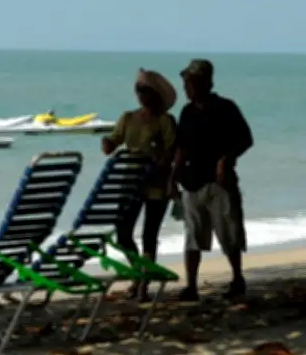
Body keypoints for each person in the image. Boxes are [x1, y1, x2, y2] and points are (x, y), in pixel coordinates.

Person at [172, 59, 253, 301]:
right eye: (186, 83)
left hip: (220, 182)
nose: (187, 88)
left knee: (229, 233)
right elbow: (181, 148)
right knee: (192, 236)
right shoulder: (187, 112)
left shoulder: (225, 108)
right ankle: (191, 286)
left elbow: (246, 139)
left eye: (191, 83)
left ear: (205, 83)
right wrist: (172, 177)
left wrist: (226, 160)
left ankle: (237, 278)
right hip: (192, 181)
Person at [102, 69, 177, 301]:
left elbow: (172, 150)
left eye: (145, 91)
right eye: (138, 90)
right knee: (123, 234)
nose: (141, 95)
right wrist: (107, 142)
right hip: (130, 183)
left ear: (155, 94)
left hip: (156, 184)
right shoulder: (128, 118)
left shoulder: (165, 120)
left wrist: (161, 164)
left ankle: (143, 285)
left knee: (149, 236)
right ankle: (138, 275)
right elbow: (112, 144)